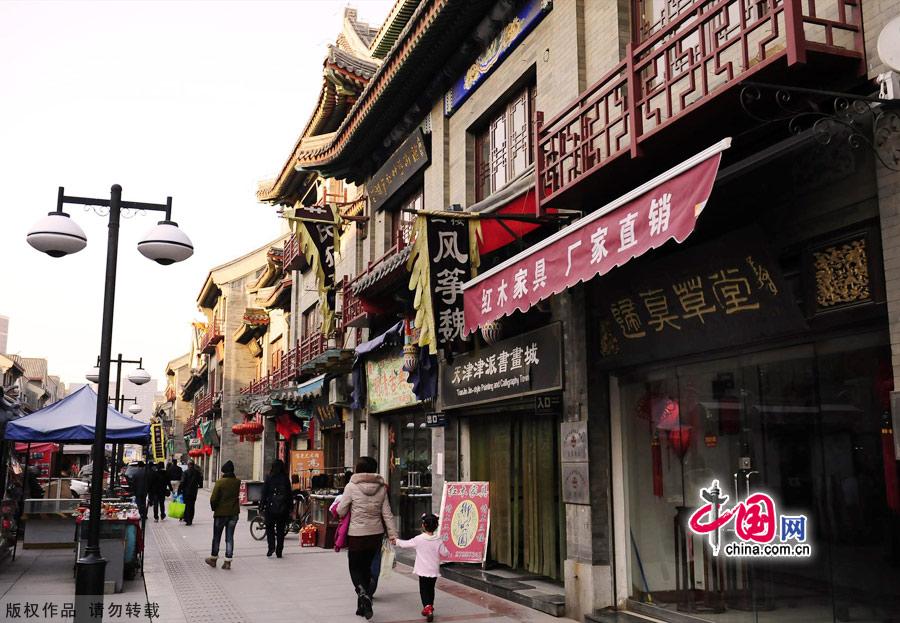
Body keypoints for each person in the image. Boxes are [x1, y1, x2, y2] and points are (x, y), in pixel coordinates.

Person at [337, 456, 397, 620]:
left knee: (355, 568)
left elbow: (341, 510)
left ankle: (362, 593)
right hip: (375, 535)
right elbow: (387, 514)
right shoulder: (382, 488)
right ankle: (363, 605)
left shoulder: (351, 486)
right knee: (367, 568)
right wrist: (393, 535)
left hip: (356, 535)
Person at [395, 513, 442, 622]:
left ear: (423, 525)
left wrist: (396, 541)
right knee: (431, 589)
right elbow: (445, 552)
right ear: (436, 526)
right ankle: (430, 606)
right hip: (434, 570)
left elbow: (406, 544)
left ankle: (427, 607)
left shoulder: (419, 539)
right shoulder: (438, 540)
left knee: (423, 589)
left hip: (423, 570)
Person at [205, 460, 240, 570]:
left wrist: (214, 508)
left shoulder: (220, 482)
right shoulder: (237, 481)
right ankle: (227, 561)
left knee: (217, 537)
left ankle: (213, 559)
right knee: (229, 537)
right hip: (234, 513)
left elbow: (213, 498)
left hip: (221, 513)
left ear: (224, 471)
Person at [260, 459, 292, 558]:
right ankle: (279, 550)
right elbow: (289, 494)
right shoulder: (285, 478)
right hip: (283, 508)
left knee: (269, 528)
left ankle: (271, 547)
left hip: (270, 507)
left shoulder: (269, 477)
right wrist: (290, 507)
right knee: (280, 530)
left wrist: (261, 505)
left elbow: (264, 492)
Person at [177, 460, 203, 526]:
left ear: (188, 465)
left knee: (187, 506)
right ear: (193, 465)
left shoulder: (185, 472)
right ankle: (190, 519)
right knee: (192, 505)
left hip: (186, 492)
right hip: (194, 492)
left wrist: (179, 490)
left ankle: (187, 520)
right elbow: (200, 482)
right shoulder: (197, 473)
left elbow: (182, 482)